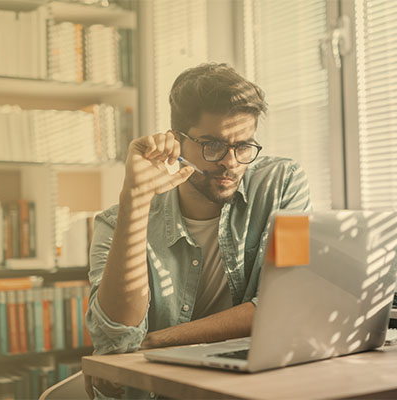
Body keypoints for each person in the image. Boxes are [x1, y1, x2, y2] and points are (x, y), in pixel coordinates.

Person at [84, 63, 311, 399]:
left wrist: (155, 341)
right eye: (213, 145)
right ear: (176, 142)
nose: (231, 162)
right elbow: (116, 339)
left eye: (244, 145)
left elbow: (283, 305)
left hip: (246, 387)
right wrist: (135, 198)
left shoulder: (282, 184)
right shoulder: (115, 222)